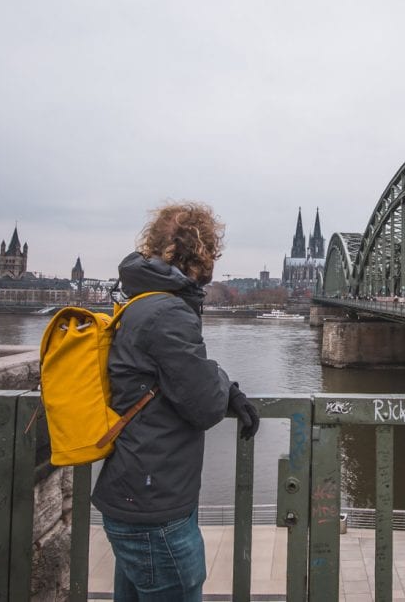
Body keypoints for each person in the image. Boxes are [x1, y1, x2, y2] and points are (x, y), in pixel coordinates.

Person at [92, 201, 260, 602]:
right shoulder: (168, 313)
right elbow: (203, 404)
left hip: (136, 493)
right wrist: (223, 382)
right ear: (201, 255)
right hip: (156, 504)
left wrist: (222, 386)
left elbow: (176, 379)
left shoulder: (141, 301)